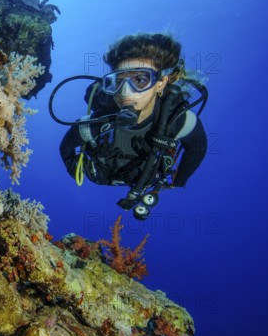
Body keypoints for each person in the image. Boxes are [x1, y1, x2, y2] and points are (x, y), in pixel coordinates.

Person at [59, 33, 207, 213]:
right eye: (119, 82)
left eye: (140, 80)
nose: (126, 93)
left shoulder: (181, 121)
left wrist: (178, 182)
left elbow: (197, 149)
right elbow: (66, 147)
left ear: (161, 83)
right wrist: (75, 170)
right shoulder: (94, 124)